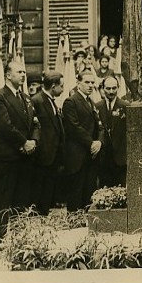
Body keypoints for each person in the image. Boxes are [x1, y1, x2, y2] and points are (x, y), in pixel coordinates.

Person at [0, 60, 40, 250]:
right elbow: (4, 126)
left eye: (24, 72)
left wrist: (33, 141)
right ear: (8, 75)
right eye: (19, 72)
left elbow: (35, 123)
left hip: (25, 157)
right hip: (6, 157)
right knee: (4, 198)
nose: (23, 75)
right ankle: (0, 239)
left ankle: (18, 237)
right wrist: (23, 142)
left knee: (21, 198)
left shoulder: (26, 98)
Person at [61, 70, 105, 212]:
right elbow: (74, 127)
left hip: (91, 155)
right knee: (75, 192)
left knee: (89, 191)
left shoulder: (91, 102)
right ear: (78, 83)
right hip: (77, 155)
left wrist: (99, 142)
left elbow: (100, 126)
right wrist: (91, 142)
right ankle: (74, 225)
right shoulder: (71, 101)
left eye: (93, 82)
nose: (91, 85)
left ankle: (87, 223)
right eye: (87, 82)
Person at [30, 70, 66, 216]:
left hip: (53, 155)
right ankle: (39, 216)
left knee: (47, 190)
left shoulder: (51, 101)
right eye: (61, 86)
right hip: (42, 156)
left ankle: (44, 214)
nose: (63, 90)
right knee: (39, 190)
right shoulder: (37, 100)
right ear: (53, 86)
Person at [95, 75, 129, 188]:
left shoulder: (125, 106)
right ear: (103, 88)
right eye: (108, 88)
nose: (111, 91)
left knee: (121, 190)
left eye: (114, 88)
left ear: (118, 88)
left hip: (120, 157)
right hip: (103, 158)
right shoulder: (97, 106)